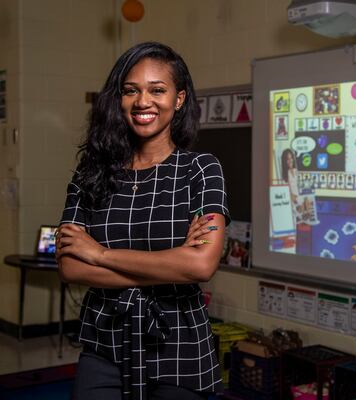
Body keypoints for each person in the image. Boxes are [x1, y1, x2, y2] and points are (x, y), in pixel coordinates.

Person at [55, 42, 229, 400]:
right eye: (131, 90)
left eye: (157, 90)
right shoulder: (91, 173)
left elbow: (200, 264)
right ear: (118, 99)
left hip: (178, 342)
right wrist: (170, 261)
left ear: (179, 99)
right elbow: (71, 266)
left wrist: (100, 255)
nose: (142, 101)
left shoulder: (201, 170)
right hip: (104, 338)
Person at [281, 148, 300, 213]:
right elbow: (285, 191)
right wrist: (293, 198)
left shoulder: (295, 170)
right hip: (291, 201)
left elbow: (298, 185)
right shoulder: (285, 174)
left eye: (291, 158)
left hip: (299, 197)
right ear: (284, 161)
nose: (290, 160)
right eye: (287, 159)